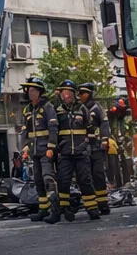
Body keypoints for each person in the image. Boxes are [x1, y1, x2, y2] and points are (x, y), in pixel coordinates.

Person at [50, 80, 99, 222]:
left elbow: (90, 129)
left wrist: (89, 146)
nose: (65, 96)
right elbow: (54, 131)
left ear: (73, 94)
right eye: (63, 93)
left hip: (81, 152)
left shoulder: (82, 109)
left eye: (68, 93)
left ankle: (92, 209)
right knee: (63, 181)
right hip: (65, 153)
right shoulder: (57, 110)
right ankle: (65, 210)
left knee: (85, 180)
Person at [18, 76, 59, 223]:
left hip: (45, 149)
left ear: (40, 92)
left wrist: (51, 147)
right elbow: (26, 131)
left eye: (33, 90)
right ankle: (43, 210)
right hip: (34, 151)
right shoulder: (28, 109)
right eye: (29, 90)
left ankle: (55, 211)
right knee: (38, 181)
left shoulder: (47, 107)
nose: (30, 93)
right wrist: (25, 148)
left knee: (48, 179)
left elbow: (53, 128)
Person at [78, 83, 115, 215]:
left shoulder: (96, 108)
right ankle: (92, 204)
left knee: (98, 174)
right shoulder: (79, 109)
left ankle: (103, 204)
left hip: (96, 147)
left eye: (83, 93)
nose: (80, 96)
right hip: (83, 148)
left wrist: (105, 140)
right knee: (86, 176)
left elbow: (104, 124)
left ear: (89, 94)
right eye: (79, 93)